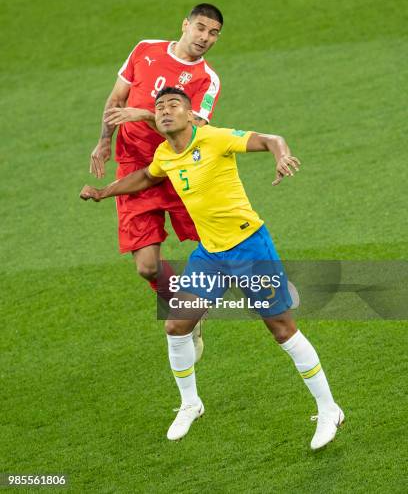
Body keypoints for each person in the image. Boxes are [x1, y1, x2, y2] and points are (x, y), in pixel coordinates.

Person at [80, 88, 344, 450]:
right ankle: (191, 403)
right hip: (211, 254)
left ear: (191, 115)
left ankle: (329, 408)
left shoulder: (214, 137)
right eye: (159, 107)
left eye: (174, 105)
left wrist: (282, 156)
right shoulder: (164, 153)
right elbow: (147, 177)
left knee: (282, 330)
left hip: (249, 247)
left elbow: (271, 139)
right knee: (176, 324)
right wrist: (103, 192)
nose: (165, 111)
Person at [89, 3, 224, 360]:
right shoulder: (145, 49)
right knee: (147, 267)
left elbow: (192, 129)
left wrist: (145, 114)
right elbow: (116, 99)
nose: (205, 38)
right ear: (185, 25)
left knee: (220, 243)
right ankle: (188, 314)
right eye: (200, 28)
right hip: (135, 167)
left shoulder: (207, 80)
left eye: (213, 33)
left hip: (179, 167)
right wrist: (105, 141)